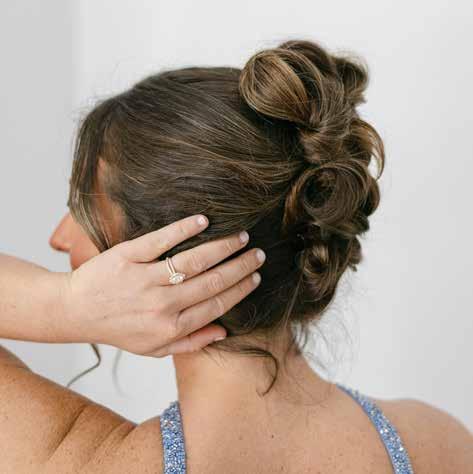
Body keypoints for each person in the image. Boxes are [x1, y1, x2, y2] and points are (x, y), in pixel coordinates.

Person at [0, 39, 471, 473]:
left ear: (167, 252)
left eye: (84, 206)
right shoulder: (437, 444)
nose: (60, 237)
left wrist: (63, 304)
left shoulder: (72, 459)